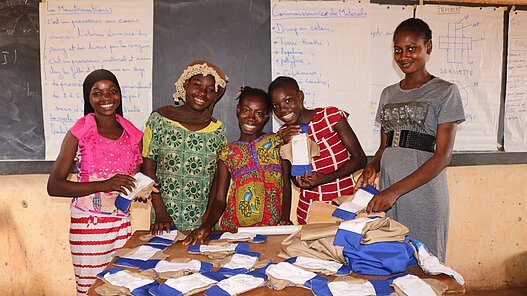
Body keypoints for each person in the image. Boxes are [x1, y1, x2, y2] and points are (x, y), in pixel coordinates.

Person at [355, 18, 465, 262]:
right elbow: (386, 146)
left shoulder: (445, 92)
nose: (404, 56)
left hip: (422, 191)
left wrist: (393, 192)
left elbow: (442, 157)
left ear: (429, 47)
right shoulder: (388, 94)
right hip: (389, 191)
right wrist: (373, 166)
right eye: (398, 50)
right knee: (392, 260)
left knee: (426, 262)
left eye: (411, 48)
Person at [47, 69, 145, 295]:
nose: (106, 98)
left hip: (121, 224)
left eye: (112, 91)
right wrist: (104, 184)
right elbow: (54, 186)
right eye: (97, 93)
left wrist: (139, 189)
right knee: (91, 290)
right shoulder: (80, 132)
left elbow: (130, 180)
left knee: (120, 288)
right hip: (89, 227)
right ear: (87, 98)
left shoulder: (132, 133)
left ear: (120, 95)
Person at [183, 87, 292, 245]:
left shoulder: (276, 142)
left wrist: (284, 218)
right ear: (238, 110)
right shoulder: (227, 152)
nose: (251, 118)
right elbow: (220, 199)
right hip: (234, 231)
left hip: (271, 230)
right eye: (246, 111)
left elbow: (286, 184)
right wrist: (207, 226)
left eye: (259, 113)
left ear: (267, 116)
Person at [142, 60, 228, 233]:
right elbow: (148, 168)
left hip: (204, 226)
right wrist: (161, 212)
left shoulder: (218, 131)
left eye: (210, 90)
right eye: (197, 85)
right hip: (164, 222)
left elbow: (217, 182)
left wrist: (207, 222)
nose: (202, 93)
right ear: (186, 84)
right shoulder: (159, 120)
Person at [269, 76, 367, 225]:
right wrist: (300, 182)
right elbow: (291, 178)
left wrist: (325, 178)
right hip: (308, 212)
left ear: (300, 96)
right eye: (275, 106)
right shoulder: (284, 134)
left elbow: (360, 159)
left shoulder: (329, 117)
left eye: (288, 100)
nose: (282, 109)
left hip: (343, 206)